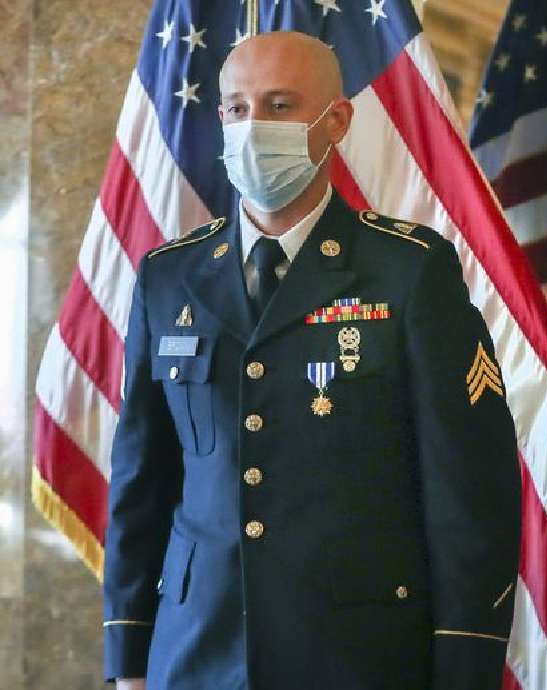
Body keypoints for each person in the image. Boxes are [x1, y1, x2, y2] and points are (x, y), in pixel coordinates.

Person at [102, 31, 521, 690]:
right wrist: (127, 656)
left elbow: (471, 494)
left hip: (359, 655)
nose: (253, 128)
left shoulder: (407, 272)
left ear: (337, 120)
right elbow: (141, 478)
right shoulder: (168, 276)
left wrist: (465, 663)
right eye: (237, 109)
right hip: (196, 654)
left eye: (279, 105)